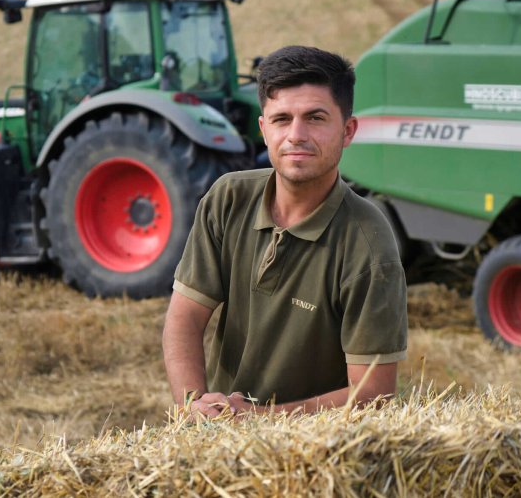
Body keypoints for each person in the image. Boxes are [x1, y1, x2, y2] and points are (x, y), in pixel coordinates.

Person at [162, 45, 407, 417]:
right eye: (281, 119)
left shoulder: (368, 243)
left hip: (316, 451)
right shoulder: (228, 199)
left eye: (315, 118)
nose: (296, 135)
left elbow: (374, 393)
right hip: (221, 442)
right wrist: (193, 406)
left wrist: (258, 419)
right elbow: (184, 319)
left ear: (347, 130)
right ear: (263, 129)